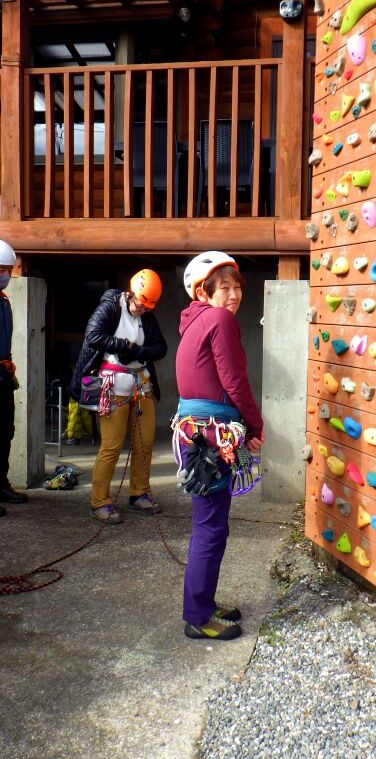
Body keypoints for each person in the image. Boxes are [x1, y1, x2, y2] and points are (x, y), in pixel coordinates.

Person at [173, 251, 265, 641]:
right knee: (210, 528)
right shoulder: (219, 319)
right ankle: (198, 615)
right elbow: (234, 380)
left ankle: (205, 604)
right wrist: (255, 424)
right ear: (202, 292)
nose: (234, 295)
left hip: (198, 435)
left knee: (210, 525)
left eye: (237, 287)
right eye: (223, 288)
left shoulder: (194, 322)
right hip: (211, 437)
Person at [70, 269, 167, 524]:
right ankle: (100, 501)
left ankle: (140, 492)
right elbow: (93, 336)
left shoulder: (147, 316)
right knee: (111, 446)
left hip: (141, 384)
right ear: (130, 293)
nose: (142, 310)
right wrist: (126, 347)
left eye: (147, 307)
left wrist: (140, 352)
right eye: (140, 304)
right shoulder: (110, 308)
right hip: (114, 385)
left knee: (145, 443)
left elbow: (161, 347)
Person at [0, 240, 28, 516]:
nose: (7, 275)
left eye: (8, 269)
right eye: (2, 269)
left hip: (4, 375)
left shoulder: (4, 301)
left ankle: (1, 483)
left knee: (5, 431)